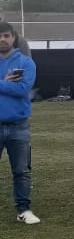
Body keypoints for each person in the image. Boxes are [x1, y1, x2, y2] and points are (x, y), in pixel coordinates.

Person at [0, 21, 39, 224]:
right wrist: (6, 83)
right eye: (0, 36)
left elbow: (22, 89)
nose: (2, 39)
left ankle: (23, 209)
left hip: (19, 125)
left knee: (21, 171)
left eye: (6, 35)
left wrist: (4, 85)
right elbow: (12, 88)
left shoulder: (25, 62)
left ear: (13, 38)